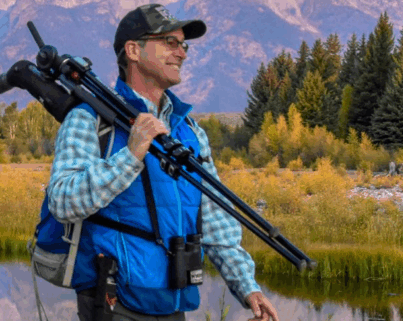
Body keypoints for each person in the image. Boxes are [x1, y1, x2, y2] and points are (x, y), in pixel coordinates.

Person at [46, 4, 280, 321]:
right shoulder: (88, 120)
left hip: (174, 303)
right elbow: (62, 201)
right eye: (169, 42)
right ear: (133, 50)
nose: (182, 53)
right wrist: (130, 156)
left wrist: (248, 288)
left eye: (183, 44)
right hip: (114, 301)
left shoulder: (190, 132)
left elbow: (214, 219)